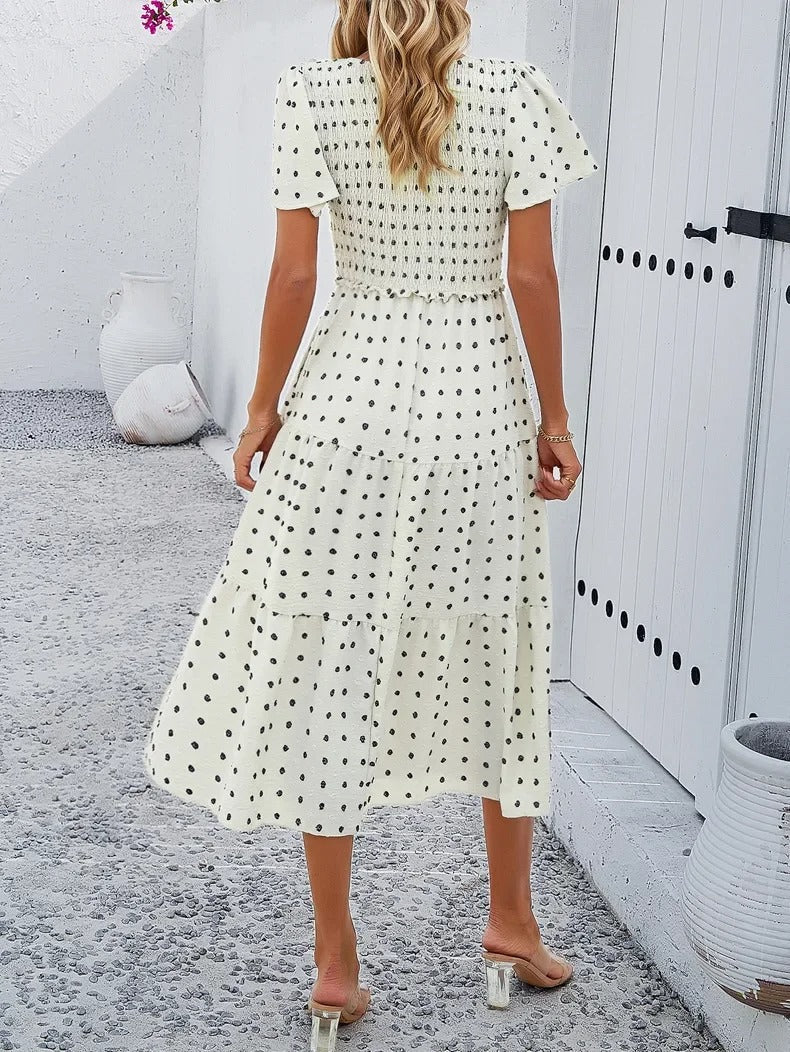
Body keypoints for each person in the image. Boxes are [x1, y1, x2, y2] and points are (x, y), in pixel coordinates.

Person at [143, 1, 600, 1048]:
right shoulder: (513, 95)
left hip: (347, 406)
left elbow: (297, 274)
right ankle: (510, 923)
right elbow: (531, 274)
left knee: (329, 664)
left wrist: (262, 407)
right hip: (476, 408)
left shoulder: (312, 94)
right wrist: (554, 419)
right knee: (498, 654)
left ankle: (336, 963)